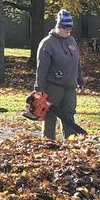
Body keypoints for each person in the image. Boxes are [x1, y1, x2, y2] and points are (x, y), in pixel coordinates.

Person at [34, 9, 85, 140]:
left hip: (70, 86)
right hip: (53, 86)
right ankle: (48, 143)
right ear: (58, 26)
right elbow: (42, 68)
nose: (68, 31)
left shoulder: (72, 41)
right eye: (65, 28)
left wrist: (81, 81)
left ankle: (71, 141)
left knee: (69, 115)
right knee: (50, 116)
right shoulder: (47, 43)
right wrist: (39, 89)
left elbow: (77, 62)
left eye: (70, 28)